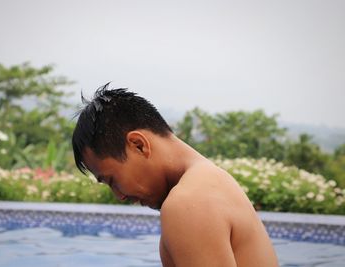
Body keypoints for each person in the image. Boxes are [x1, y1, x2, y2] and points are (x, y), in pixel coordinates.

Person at [72, 84, 279, 267]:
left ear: (138, 145)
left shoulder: (188, 202)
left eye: (112, 180)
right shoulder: (210, 180)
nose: (120, 196)